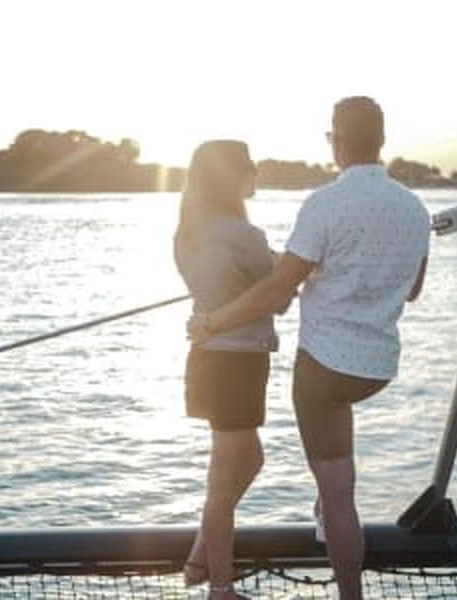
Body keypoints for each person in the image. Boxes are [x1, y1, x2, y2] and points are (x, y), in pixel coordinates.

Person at [188, 97, 430, 600]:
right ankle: (322, 515)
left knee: (340, 495)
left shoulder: (323, 205)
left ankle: (348, 591)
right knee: (335, 480)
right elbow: (412, 289)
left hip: (324, 371)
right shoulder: (414, 207)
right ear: (381, 141)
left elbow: (278, 290)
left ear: (336, 141)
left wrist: (213, 320)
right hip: (378, 368)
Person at [174, 140, 288, 600]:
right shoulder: (247, 236)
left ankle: (202, 554)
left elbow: (232, 285)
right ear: (232, 177)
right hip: (237, 365)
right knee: (222, 486)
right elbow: (275, 295)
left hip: (209, 360)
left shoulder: (187, 235)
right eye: (249, 167)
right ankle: (219, 587)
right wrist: (286, 271)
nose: (255, 173)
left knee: (249, 460)